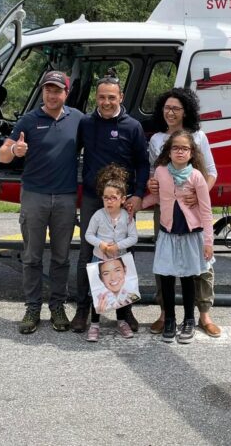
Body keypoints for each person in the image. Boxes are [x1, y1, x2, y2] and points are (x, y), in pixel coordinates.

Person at [0, 70, 83, 334]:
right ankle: (32, 307)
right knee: (32, 256)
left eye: (57, 90)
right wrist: (14, 150)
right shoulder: (28, 121)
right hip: (35, 196)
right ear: (43, 92)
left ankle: (57, 306)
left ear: (66, 93)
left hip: (66, 197)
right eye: (48, 89)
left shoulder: (79, 119)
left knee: (61, 257)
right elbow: (3, 156)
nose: (51, 94)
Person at [71, 75, 149, 333]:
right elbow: (71, 154)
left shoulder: (132, 126)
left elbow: (142, 163)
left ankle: (125, 312)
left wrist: (137, 194)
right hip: (95, 199)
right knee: (88, 253)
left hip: (124, 201)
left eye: (111, 97)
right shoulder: (85, 123)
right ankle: (83, 310)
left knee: (123, 254)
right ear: (96, 97)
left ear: (120, 98)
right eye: (102, 97)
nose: (106, 102)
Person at [147, 88, 221, 338]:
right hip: (167, 208)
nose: (170, 112)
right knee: (164, 261)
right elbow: (154, 174)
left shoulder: (198, 136)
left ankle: (203, 313)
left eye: (176, 108)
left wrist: (199, 196)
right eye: (166, 108)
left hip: (193, 209)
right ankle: (165, 313)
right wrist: (151, 186)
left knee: (200, 262)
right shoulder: (157, 139)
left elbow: (211, 172)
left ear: (186, 111)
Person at [83, 164, 139, 341]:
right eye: (106, 198)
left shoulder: (126, 217)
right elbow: (88, 235)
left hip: (120, 260)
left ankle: (121, 321)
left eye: (113, 198)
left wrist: (118, 245)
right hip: (100, 259)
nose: (109, 201)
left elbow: (133, 237)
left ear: (122, 199)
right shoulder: (98, 216)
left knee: (121, 292)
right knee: (98, 292)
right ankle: (94, 324)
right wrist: (102, 245)